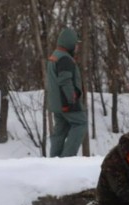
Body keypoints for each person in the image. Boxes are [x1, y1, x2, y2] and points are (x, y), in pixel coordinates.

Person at [46, 27, 87, 157]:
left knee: (60, 131)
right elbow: (65, 80)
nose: (77, 47)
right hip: (67, 102)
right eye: (76, 44)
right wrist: (72, 98)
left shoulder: (55, 56)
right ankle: (67, 159)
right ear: (69, 43)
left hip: (56, 104)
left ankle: (54, 161)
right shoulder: (65, 59)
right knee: (81, 124)